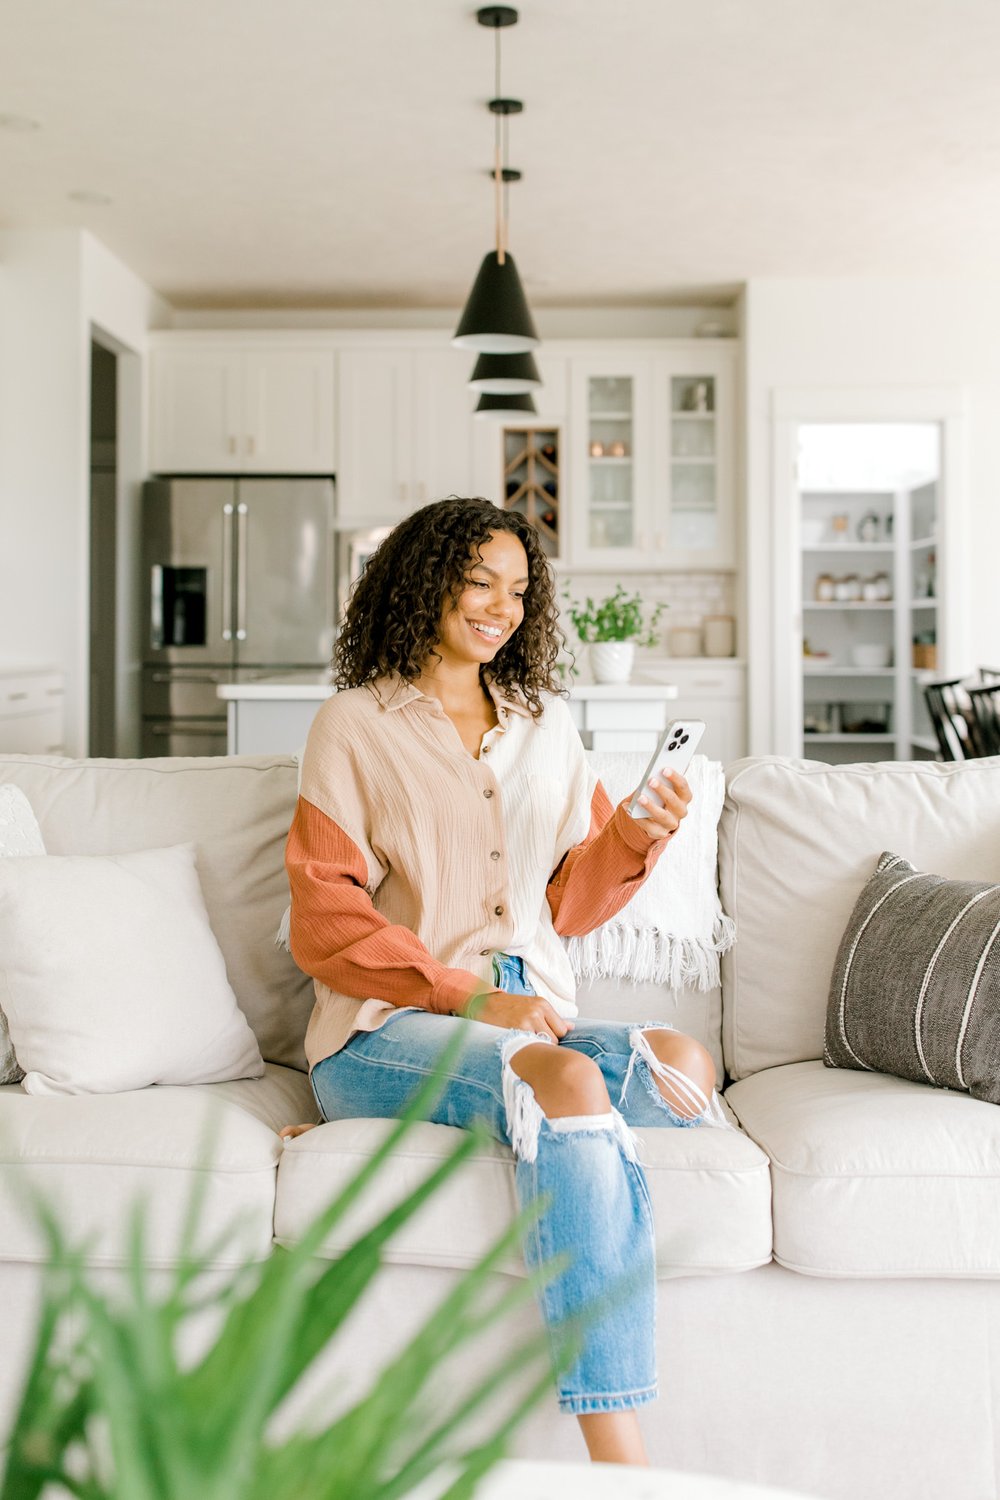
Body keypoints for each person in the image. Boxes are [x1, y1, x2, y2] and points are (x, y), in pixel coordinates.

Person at [282, 496, 721, 1467]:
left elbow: (567, 897)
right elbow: (325, 917)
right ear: (422, 580)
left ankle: (459, 1115)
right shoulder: (353, 724)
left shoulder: (543, 723)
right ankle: (620, 1460)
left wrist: (640, 832)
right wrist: (469, 1000)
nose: (499, 606)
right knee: (566, 1083)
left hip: (531, 1009)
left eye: (518, 589)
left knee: (684, 1068)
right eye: (477, 579)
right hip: (390, 1021)